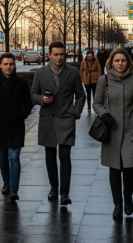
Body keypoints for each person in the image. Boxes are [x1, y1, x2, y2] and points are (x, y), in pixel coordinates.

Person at [94, 48, 133, 220]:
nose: (120, 64)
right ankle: (117, 204)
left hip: (132, 130)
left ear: (128, 62)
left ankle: (128, 198)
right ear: (111, 63)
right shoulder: (104, 80)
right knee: (114, 169)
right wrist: (104, 114)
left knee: (129, 168)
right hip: (112, 130)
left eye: (123, 61)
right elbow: (97, 103)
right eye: (116, 61)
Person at [30, 41, 86, 206]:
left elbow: (81, 95)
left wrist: (75, 112)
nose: (59, 57)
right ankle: (54, 188)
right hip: (48, 117)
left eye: (62, 54)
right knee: (49, 156)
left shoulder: (73, 72)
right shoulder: (41, 73)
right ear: (49, 55)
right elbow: (33, 94)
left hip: (66, 118)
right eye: (56, 54)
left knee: (65, 156)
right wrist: (42, 100)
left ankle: (64, 193)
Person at [0, 52, 33, 202]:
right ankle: (6, 182)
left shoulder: (21, 83)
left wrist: (21, 115)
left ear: (14, 65)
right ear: (0, 65)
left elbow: (28, 103)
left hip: (16, 125)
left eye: (11, 64)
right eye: (5, 64)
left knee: (14, 157)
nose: (8, 67)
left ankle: (13, 189)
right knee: (3, 158)